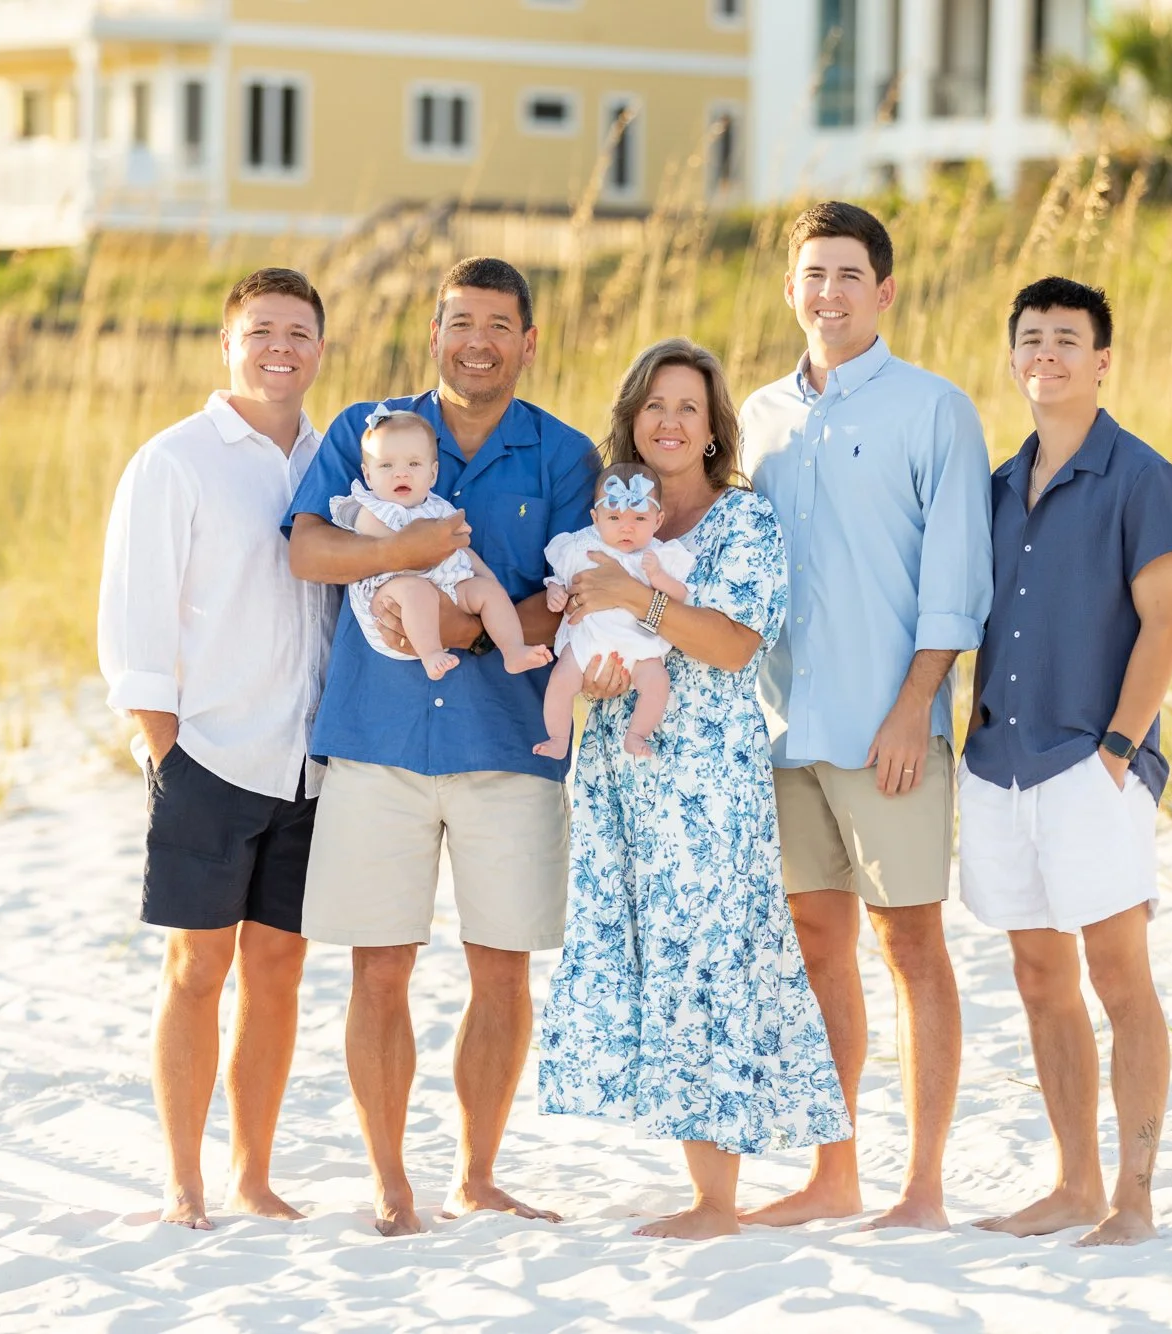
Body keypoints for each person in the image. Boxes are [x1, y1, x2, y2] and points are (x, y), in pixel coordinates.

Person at [284, 257, 603, 1237]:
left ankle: (476, 1172)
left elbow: (570, 591)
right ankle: (390, 1181)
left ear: (528, 340)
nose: (476, 340)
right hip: (377, 741)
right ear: (434, 331)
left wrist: (462, 628)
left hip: (509, 746)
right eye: (459, 321)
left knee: (500, 969)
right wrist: (404, 558)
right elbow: (305, 547)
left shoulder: (563, 455)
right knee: (378, 968)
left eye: (498, 324)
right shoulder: (364, 432)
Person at [538, 338, 851, 1240]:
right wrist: (594, 665)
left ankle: (717, 1201)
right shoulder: (604, 523)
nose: (670, 422)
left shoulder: (741, 523)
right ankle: (702, 1181)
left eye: (689, 408)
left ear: (715, 429)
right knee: (651, 954)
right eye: (654, 406)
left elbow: (736, 645)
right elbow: (577, 625)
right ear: (631, 420)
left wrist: (635, 605)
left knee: (705, 961)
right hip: (620, 769)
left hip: (708, 775)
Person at [738, 202, 993, 1231]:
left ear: (884, 291)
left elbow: (955, 579)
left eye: (849, 274)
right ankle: (832, 1169)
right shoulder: (755, 416)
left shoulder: (932, 409)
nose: (829, 293)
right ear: (789, 289)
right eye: (812, 274)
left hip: (889, 728)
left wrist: (914, 707)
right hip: (779, 730)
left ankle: (920, 1184)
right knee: (812, 942)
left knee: (913, 945)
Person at [95, 267, 333, 1230]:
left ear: (321, 348)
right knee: (198, 969)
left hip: (312, 764)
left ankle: (253, 1174)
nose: (281, 347)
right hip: (210, 757)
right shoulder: (176, 460)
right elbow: (132, 619)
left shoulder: (339, 458)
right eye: (262, 330)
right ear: (229, 344)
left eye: (300, 332)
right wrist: (167, 751)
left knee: (279, 969)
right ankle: (184, 1177)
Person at [962, 277, 1172, 1247]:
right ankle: (1072, 1181)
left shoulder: (1143, 477)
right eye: (1030, 338)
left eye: (1066, 339)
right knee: (1034, 970)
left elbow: (1164, 621)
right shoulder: (991, 486)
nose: (1045, 354)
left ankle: (1132, 1197)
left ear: (1102, 359)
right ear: (1012, 356)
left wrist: (1114, 748)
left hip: (1086, 763)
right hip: (996, 763)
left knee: (1117, 970)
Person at [334, 407, 552, 680]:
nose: (401, 474)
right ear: (368, 475)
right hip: (392, 598)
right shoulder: (371, 508)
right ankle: (431, 653)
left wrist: (488, 578)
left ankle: (513, 651)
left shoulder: (437, 508)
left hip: (445, 589)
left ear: (433, 473)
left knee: (489, 591)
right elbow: (390, 549)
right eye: (386, 465)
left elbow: (461, 549)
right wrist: (414, 546)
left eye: (413, 464)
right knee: (417, 591)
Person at [532, 461, 695, 761]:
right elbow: (559, 579)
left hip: (639, 645)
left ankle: (636, 734)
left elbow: (682, 596)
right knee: (560, 680)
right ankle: (558, 737)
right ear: (595, 518)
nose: (627, 527)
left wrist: (658, 578)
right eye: (615, 517)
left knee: (657, 682)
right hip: (586, 642)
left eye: (640, 518)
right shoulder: (580, 547)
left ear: (658, 520)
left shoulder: (659, 555)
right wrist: (554, 593)